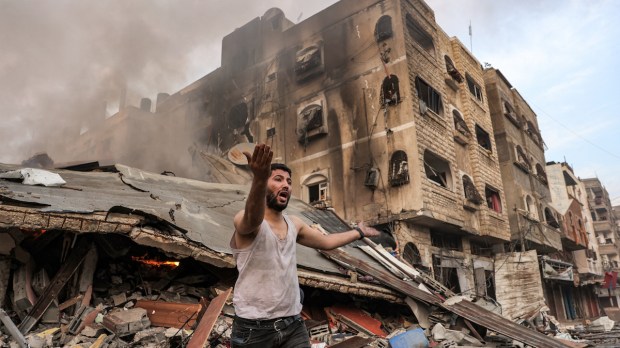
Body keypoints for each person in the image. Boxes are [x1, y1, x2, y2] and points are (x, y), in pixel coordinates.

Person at [230, 144, 380, 348]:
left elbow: (326, 242)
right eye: (277, 179)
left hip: (292, 324)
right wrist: (259, 177)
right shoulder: (245, 220)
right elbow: (252, 219)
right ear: (263, 183)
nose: (286, 185)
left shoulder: (295, 224)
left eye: (289, 182)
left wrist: (359, 232)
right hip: (253, 330)